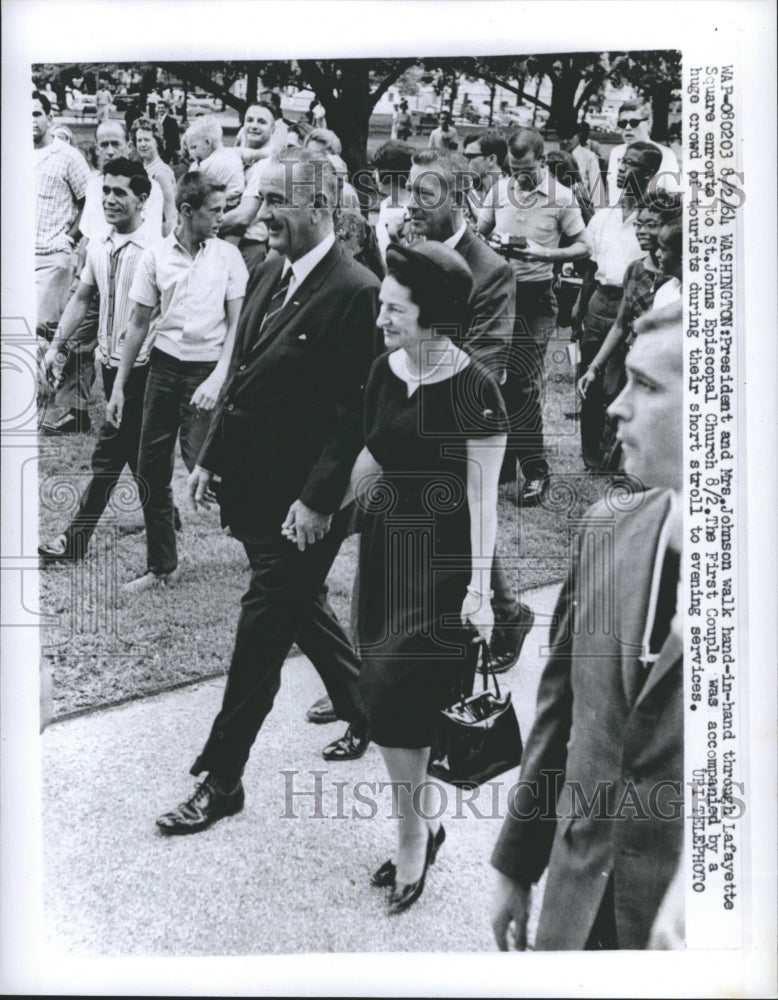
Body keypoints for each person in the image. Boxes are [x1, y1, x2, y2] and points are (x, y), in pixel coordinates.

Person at [154, 149, 379, 836]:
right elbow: (242, 369)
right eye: (260, 198)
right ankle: (364, 707)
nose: (262, 214)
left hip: (303, 506)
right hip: (252, 487)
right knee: (297, 608)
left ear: (318, 206)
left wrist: (316, 501)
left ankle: (221, 780)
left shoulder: (355, 288)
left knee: (261, 630)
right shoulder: (270, 269)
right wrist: (208, 456)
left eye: (276, 200)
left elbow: (353, 413)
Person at [491, 300, 685, 951]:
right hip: (576, 912)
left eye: (650, 386)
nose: (616, 406)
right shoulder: (605, 530)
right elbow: (560, 711)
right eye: (624, 379)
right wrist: (517, 866)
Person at [354, 241, 508, 914]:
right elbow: (374, 452)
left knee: (390, 692)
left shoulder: (476, 387)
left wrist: (480, 591)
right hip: (387, 550)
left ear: (434, 315)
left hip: (443, 565)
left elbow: (484, 498)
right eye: (382, 304)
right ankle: (422, 824)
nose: (382, 318)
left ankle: (414, 834)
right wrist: (322, 505)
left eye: (395, 308)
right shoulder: (384, 370)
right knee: (389, 700)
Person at [401, 147, 536, 671]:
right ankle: (501, 612)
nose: (411, 204)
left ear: (458, 198)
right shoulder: (414, 255)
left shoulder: (491, 269)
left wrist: (426, 395)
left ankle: (498, 614)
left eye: (424, 194)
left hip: (466, 417)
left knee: (464, 516)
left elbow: (488, 360)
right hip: (414, 404)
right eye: (408, 191)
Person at [105, 172, 248, 592]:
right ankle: (162, 567)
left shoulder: (228, 257)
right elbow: (137, 324)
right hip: (164, 370)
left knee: (212, 470)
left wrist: (220, 376)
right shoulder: (155, 257)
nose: (223, 218)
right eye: (215, 211)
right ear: (187, 211)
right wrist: (118, 386)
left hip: (209, 370)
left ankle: (269, 550)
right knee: (151, 469)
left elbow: (238, 327)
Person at [38, 158, 156, 563]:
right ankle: (167, 518)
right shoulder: (100, 246)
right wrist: (57, 345)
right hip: (111, 366)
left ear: (142, 199)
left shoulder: (155, 250)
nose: (108, 199)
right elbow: (83, 298)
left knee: (110, 455)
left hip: (145, 368)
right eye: (105, 190)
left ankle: (74, 541)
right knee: (138, 454)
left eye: (119, 192)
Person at [478, 127, 588, 504]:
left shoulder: (562, 197)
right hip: (497, 296)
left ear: (543, 160)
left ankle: (536, 474)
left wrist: (544, 255)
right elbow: (480, 232)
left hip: (536, 298)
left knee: (523, 385)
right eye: (512, 167)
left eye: (525, 168)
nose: (519, 176)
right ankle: (505, 463)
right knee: (494, 380)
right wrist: (491, 245)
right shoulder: (499, 190)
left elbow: (583, 246)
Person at [575, 141, 662, 469]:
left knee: (620, 383)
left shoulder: (653, 217)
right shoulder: (604, 216)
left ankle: (619, 453)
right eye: (622, 162)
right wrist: (580, 309)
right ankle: (591, 455)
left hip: (633, 308)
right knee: (589, 376)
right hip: (600, 301)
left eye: (633, 164)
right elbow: (589, 265)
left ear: (650, 173)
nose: (623, 168)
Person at [33, 90, 89, 344]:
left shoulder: (67, 155)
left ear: (49, 116)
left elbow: (89, 202)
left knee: (42, 337)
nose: (30, 121)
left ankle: (43, 384)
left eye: (36, 114)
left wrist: (69, 237)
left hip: (52, 258)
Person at [606, 100, 680, 205]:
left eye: (634, 123)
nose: (627, 128)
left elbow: (673, 194)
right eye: (622, 123)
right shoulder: (616, 153)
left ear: (648, 123)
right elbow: (613, 195)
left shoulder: (666, 155)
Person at [184, 116, 244, 210]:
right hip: (235, 204)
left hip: (218, 210)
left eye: (194, 147)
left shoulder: (206, 165)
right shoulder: (232, 153)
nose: (191, 155)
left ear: (207, 142)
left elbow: (191, 195)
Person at [131, 117, 177, 235]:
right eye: (139, 140)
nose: (142, 144)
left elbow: (170, 216)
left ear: (157, 142)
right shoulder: (142, 168)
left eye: (147, 140)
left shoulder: (161, 173)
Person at [370, 140, 414, 262]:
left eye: (378, 169)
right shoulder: (386, 204)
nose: (374, 175)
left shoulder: (412, 211)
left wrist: (394, 237)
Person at [556, 123, 602, 204]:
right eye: (561, 138)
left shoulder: (589, 157)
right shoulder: (554, 156)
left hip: (580, 205)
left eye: (569, 137)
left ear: (578, 136)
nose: (564, 141)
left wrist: (597, 213)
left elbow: (596, 188)